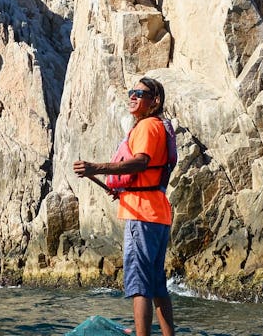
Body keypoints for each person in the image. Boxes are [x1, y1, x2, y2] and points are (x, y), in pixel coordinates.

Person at [73, 77, 175, 336]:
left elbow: (140, 162)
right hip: (157, 211)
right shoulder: (157, 126)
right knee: (157, 284)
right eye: (131, 92)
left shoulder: (147, 126)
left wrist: (96, 167)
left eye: (139, 94)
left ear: (155, 101)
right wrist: (124, 188)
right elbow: (146, 171)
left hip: (142, 213)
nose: (132, 96)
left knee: (140, 284)